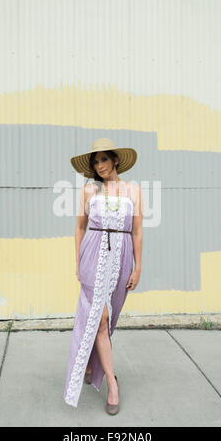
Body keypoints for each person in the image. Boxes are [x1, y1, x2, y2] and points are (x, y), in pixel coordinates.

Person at [63, 137, 143, 415]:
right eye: (95, 162)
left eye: (104, 159)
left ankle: (90, 363)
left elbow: (136, 231)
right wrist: (78, 261)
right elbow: (79, 227)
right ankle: (112, 382)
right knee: (100, 319)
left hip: (120, 260)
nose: (99, 166)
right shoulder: (89, 190)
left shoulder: (133, 190)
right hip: (92, 256)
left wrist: (137, 267)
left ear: (116, 160)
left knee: (110, 319)